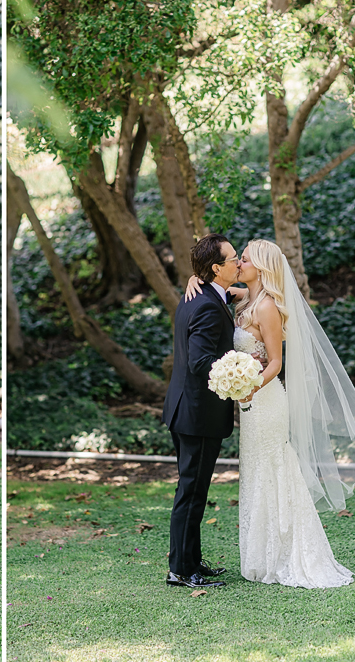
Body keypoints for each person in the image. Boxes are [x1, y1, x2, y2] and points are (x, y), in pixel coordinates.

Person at [185, 239, 355, 588]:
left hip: (266, 400)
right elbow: (218, 288)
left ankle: (290, 554)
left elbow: (276, 363)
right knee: (257, 471)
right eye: (237, 259)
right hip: (250, 406)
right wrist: (195, 280)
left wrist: (249, 385)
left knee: (275, 469)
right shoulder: (245, 298)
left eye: (244, 259)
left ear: (260, 268)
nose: (239, 263)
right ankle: (263, 555)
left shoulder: (267, 307)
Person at [161, 233, 239, 589]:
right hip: (198, 414)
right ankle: (180, 570)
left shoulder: (200, 294)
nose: (238, 263)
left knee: (192, 491)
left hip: (186, 410)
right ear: (216, 268)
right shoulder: (206, 304)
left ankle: (190, 562)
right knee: (191, 493)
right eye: (234, 259)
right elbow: (199, 362)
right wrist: (239, 367)